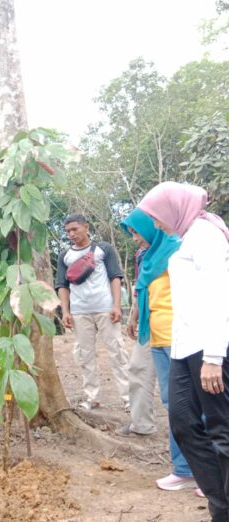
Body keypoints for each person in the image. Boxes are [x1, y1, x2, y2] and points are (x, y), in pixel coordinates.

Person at [138, 182, 229, 520]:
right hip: (184, 348)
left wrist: (214, 358)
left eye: (156, 216)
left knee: (221, 431)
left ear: (173, 208)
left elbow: (221, 295)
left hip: (210, 349)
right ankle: (221, 499)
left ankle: (221, 509)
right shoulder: (186, 236)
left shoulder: (206, 234)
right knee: (183, 423)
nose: (156, 224)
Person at [119, 208, 195, 491]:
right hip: (158, 337)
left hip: (183, 337)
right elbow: (143, 291)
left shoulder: (179, 251)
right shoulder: (148, 257)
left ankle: (209, 471)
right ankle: (185, 469)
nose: (135, 239)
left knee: (194, 405)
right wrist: (135, 317)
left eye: (137, 232)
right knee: (173, 404)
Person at [55, 214, 130, 411]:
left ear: (86, 227)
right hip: (80, 312)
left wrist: (116, 305)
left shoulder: (104, 249)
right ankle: (92, 397)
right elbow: (62, 285)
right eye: (68, 231)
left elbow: (115, 277)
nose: (71, 234)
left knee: (117, 352)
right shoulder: (64, 256)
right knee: (84, 355)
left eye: (75, 229)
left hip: (105, 309)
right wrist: (65, 311)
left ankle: (129, 397)